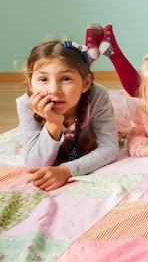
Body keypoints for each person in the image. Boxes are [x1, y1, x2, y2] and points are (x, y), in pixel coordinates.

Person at [17, 40, 119, 191]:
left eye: (66, 79)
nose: (54, 90)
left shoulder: (97, 96)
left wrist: (66, 171)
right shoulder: (25, 104)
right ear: (31, 84)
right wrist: (53, 123)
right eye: (43, 79)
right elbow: (35, 164)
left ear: (86, 83)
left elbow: (109, 148)